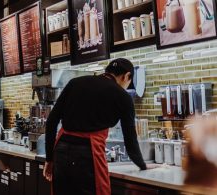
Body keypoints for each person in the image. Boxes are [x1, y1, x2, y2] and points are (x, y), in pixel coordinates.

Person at [43, 58, 159, 195]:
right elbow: (130, 139)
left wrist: (49, 159)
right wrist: (142, 165)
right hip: (88, 153)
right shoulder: (123, 96)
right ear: (127, 76)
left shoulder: (75, 82)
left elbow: (51, 121)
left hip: (61, 150)